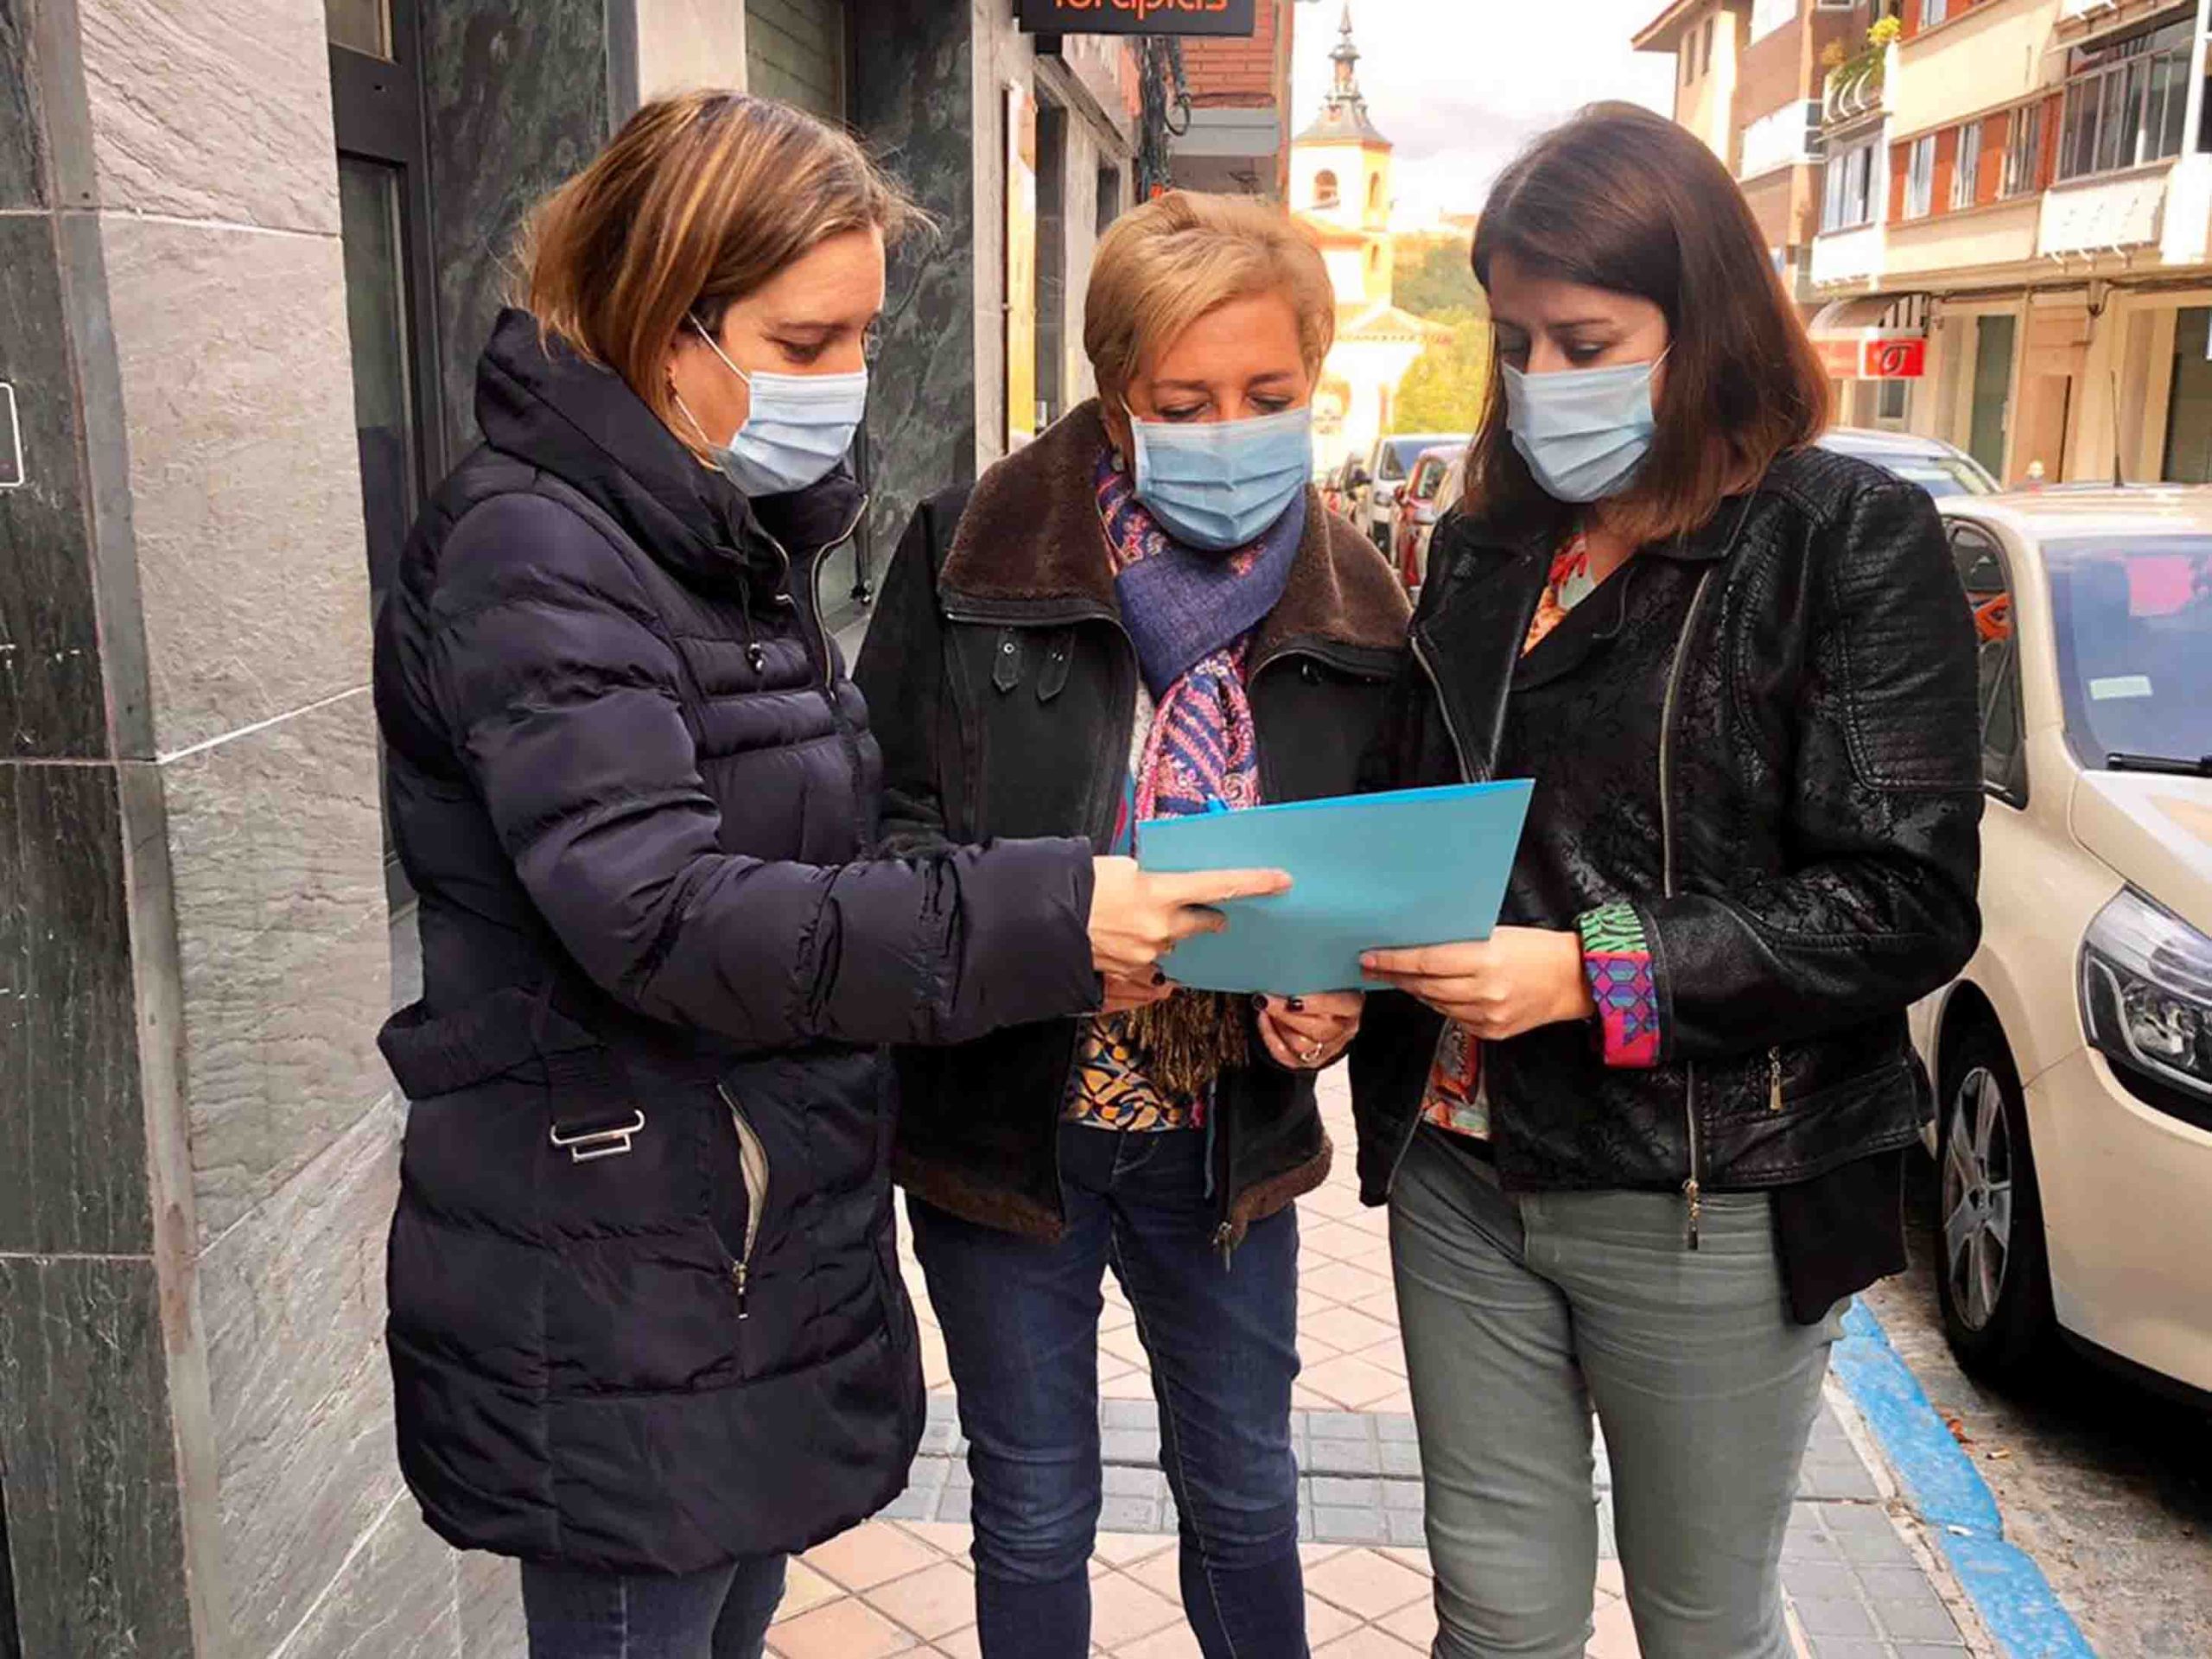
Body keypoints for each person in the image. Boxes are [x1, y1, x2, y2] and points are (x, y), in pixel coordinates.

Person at [371, 96, 1282, 1659]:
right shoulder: (538, 549)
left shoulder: (711, 539)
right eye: (805, 345)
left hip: (722, 1232)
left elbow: (834, 861)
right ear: (668, 325)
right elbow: (661, 911)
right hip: (615, 1256)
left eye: (862, 337)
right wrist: (1057, 914)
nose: (847, 386)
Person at [1351, 105, 1983, 1659]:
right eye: (1514, 344)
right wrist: (1330, 942)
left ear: (1700, 324)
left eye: (1585, 340)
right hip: (1463, 1161)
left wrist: (1589, 970)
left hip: (1709, 1187)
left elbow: (1907, 896)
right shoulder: (1491, 540)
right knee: (1495, 1617)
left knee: (1704, 1623)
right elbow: (1426, 805)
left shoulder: (1846, 540)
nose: (1540, 385)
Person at [855, 191, 1411, 1659]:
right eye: (1186, 400)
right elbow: (882, 840)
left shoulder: (1360, 604)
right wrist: (1041, 928)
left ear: (1316, 381)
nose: (1230, 429)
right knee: (1033, 1506)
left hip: (1231, 1136)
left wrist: (1343, 993)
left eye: (1269, 396)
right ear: (1116, 401)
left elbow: (1396, 864)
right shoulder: (963, 560)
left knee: (1243, 1496)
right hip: (1006, 1127)